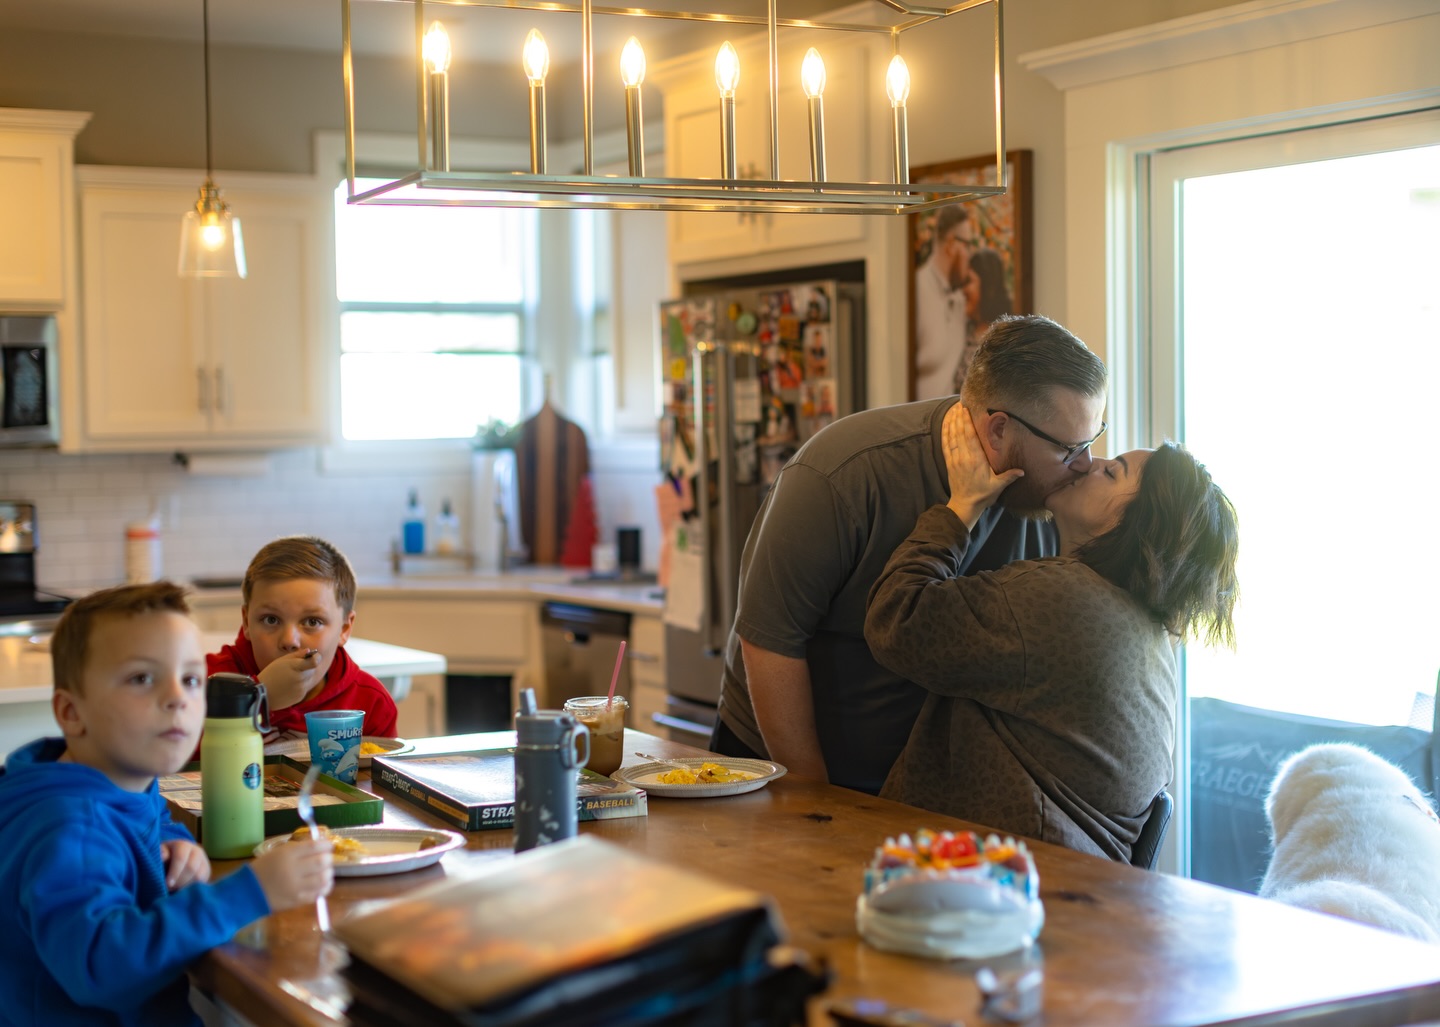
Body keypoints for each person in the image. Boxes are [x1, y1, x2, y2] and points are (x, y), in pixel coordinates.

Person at [712, 314, 1108, 794]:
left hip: (912, 784)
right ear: (999, 430)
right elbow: (770, 641)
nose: (1086, 465)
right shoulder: (843, 475)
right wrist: (815, 801)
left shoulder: (1049, 504)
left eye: (1093, 440)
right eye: (1070, 449)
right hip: (780, 764)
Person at [865, 414, 1238, 862]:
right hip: (1072, 896)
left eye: (1112, 471)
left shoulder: (1065, 600)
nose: (1087, 463)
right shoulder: (1146, 632)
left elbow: (894, 618)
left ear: (1135, 524)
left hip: (997, 895)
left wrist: (961, 506)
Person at [0, 582, 333, 1026]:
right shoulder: (72, 829)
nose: (178, 697)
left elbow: (150, 819)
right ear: (71, 712)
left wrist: (179, 846)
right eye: (142, 678)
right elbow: (101, 968)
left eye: (192, 679)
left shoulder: (119, 779)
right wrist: (250, 893)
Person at [208, 535, 397, 742]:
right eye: (271, 619)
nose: (290, 640)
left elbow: (382, 772)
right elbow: (178, 762)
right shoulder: (207, 683)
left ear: (344, 628)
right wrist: (261, 699)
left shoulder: (370, 703)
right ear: (246, 622)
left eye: (313, 622)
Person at [913, 205, 978, 400]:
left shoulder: (958, 299)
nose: (970, 255)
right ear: (951, 244)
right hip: (915, 423)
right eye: (967, 245)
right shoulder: (918, 290)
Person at [951, 247, 1013, 393]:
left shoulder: (1006, 339)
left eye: (969, 282)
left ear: (987, 286)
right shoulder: (962, 330)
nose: (962, 291)